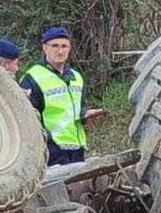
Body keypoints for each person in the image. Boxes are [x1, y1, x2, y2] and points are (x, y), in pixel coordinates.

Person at [19, 27, 104, 166]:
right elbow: (28, 119)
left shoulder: (76, 77)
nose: (60, 51)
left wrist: (85, 115)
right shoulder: (32, 78)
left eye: (64, 46)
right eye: (55, 46)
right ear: (45, 48)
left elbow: (78, 108)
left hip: (77, 148)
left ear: (69, 48)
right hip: (51, 151)